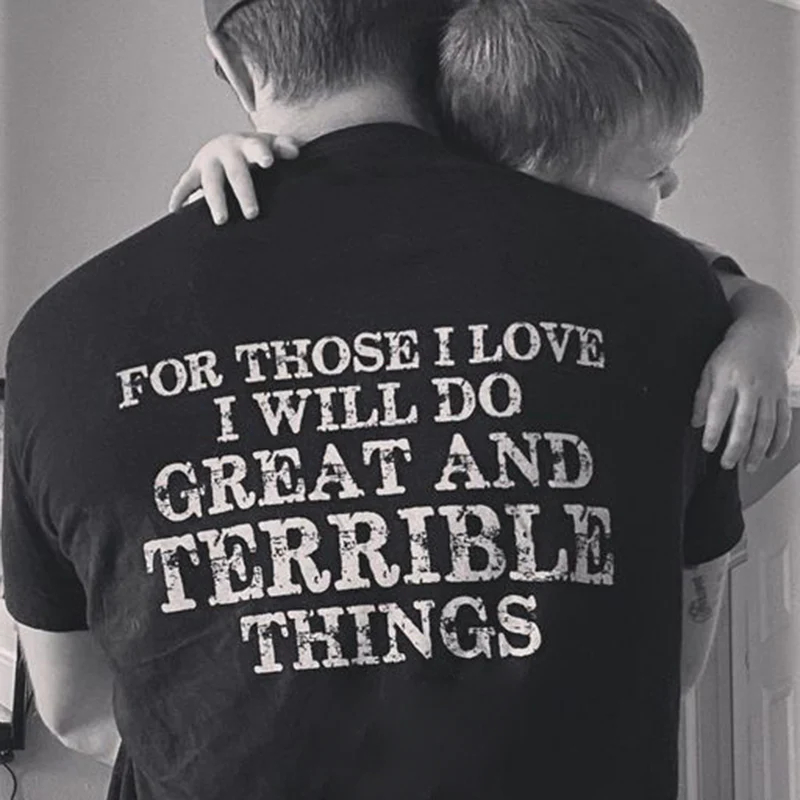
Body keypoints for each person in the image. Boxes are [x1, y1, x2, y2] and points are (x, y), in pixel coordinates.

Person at [1, 0, 747, 798]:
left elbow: (76, 707)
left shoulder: (61, 336)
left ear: (232, 63)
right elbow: (674, 660)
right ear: (446, 35)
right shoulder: (660, 287)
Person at [173, 1, 797, 483]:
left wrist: (762, 338)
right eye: (653, 170)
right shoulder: (447, 207)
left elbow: (745, 293)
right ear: (541, 169)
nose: (672, 184)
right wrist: (235, 155)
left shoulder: (642, 258)